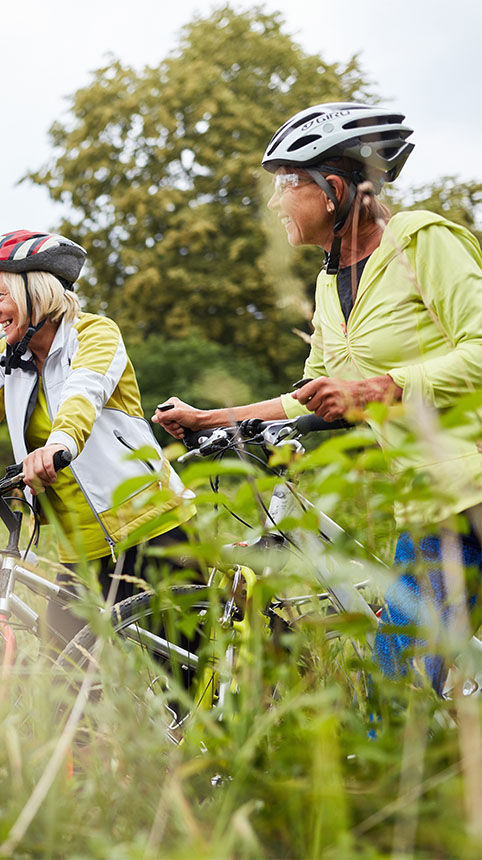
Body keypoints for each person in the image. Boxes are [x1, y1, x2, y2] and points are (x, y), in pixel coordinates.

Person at [152, 102, 482, 691]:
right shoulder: (330, 284)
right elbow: (312, 396)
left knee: (394, 683)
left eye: (286, 184)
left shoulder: (421, 241)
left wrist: (385, 387)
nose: (276, 201)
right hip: (425, 499)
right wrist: (213, 418)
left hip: (469, 493)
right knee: (407, 679)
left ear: (332, 189)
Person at [0, 230, 193, 612]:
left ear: (34, 293)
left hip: (155, 526)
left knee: (182, 664)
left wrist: (59, 444)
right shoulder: (5, 360)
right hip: (80, 549)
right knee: (66, 667)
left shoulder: (95, 334)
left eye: (1, 296)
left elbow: (83, 394)